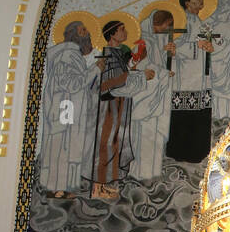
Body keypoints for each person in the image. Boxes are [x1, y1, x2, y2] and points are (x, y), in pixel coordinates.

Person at [88, 19, 154, 196]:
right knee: (107, 143)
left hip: (118, 105)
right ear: (113, 34)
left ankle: (107, 184)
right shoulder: (108, 55)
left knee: (115, 142)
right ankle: (98, 187)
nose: (125, 33)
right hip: (109, 106)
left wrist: (137, 71)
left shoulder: (116, 54)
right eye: (122, 30)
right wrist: (141, 77)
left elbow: (123, 76)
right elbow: (113, 83)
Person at [38, 20, 100, 198]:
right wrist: (95, 69)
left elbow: (79, 84)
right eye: (83, 30)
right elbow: (72, 84)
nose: (87, 33)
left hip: (69, 107)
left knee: (70, 146)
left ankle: (65, 187)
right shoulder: (65, 55)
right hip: (64, 108)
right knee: (63, 146)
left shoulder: (72, 55)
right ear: (72, 34)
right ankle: (58, 189)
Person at [166, 0, 213, 163]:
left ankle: (198, 152)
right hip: (185, 76)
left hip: (200, 75)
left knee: (200, 111)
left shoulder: (199, 21)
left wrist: (209, 47)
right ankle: (181, 153)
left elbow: (208, 41)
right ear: (186, 3)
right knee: (185, 114)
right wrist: (197, 46)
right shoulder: (182, 20)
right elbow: (174, 46)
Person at [130, 10, 175, 181]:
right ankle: (142, 172)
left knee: (156, 134)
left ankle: (154, 171)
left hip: (157, 96)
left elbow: (157, 62)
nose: (167, 28)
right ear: (156, 24)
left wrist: (166, 52)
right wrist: (163, 73)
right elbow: (139, 67)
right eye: (166, 24)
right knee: (145, 135)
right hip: (145, 99)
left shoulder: (156, 43)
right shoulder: (142, 44)